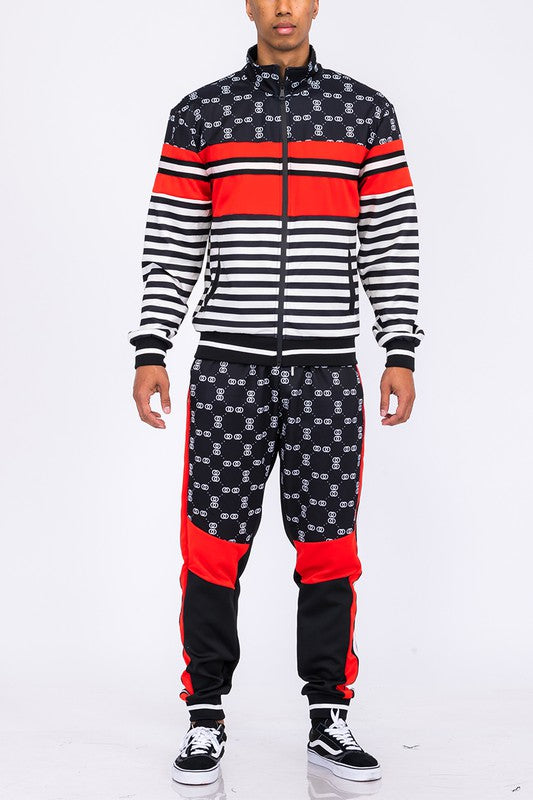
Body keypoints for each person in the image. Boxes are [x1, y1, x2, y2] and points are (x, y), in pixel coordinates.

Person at [128, 0, 424, 787]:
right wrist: (152, 346)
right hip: (228, 368)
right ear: (248, 4)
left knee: (328, 546)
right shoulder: (202, 114)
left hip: (328, 371)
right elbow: (173, 240)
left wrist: (399, 348)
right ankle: (204, 715)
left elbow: (389, 238)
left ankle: (328, 715)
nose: (283, 8)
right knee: (212, 544)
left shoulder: (364, 113)